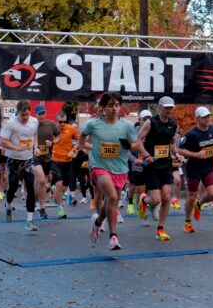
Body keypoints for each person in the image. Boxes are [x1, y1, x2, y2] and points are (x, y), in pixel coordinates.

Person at [81, 92, 150, 250]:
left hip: (120, 168)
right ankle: (113, 237)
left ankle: (98, 222)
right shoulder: (94, 124)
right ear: (103, 108)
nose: (114, 108)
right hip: (100, 166)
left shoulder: (126, 126)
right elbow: (82, 136)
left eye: (117, 105)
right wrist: (81, 147)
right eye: (110, 105)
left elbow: (135, 143)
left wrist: (140, 152)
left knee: (111, 202)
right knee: (112, 197)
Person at [137, 96, 180, 241]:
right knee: (156, 200)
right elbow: (137, 140)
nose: (169, 110)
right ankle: (144, 201)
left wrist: (176, 153)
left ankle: (160, 229)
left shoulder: (173, 124)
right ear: (159, 107)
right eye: (166, 107)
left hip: (166, 164)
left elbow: (172, 141)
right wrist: (146, 154)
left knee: (166, 197)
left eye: (171, 108)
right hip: (152, 165)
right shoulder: (151, 122)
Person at [178, 106, 213, 234]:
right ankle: (187, 221)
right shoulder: (192, 134)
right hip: (194, 169)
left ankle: (199, 204)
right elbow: (181, 150)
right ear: (198, 118)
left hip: (208, 167)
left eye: (208, 116)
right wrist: (197, 155)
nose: (207, 119)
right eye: (204, 117)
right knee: (191, 196)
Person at [0, 100, 40, 230]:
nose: (25, 117)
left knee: (31, 187)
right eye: (23, 114)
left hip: (28, 160)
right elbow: (3, 142)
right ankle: (8, 204)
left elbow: (34, 134)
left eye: (27, 114)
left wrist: (36, 147)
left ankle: (29, 221)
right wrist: (16, 148)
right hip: (14, 160)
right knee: (13, 187)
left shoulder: (34, 121)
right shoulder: (10, 124)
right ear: (18, 112)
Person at [33, 104, 60, 218]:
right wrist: (35, 148)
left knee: (40, 183)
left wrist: (53, 142)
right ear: (36, 114)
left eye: (43, 113)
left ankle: (34, 200)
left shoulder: (51, 124)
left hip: (48, 157)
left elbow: (59, 137)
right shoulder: (32, 125)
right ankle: (42, 208)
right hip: (35, 156)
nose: (42, 116)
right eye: (39, 114)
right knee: (42, 181)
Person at [51, 111, 80, 215]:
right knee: (59, 184)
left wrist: (73, 150)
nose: (62, 124)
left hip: (67, 161)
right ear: (56, 121)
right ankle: (60, 208)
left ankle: (56, 193)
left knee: (64, 188)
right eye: (60, 122)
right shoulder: (52, 129)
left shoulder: (71, 128)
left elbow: (80, 140)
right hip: (55, 161)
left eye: (64, 122)